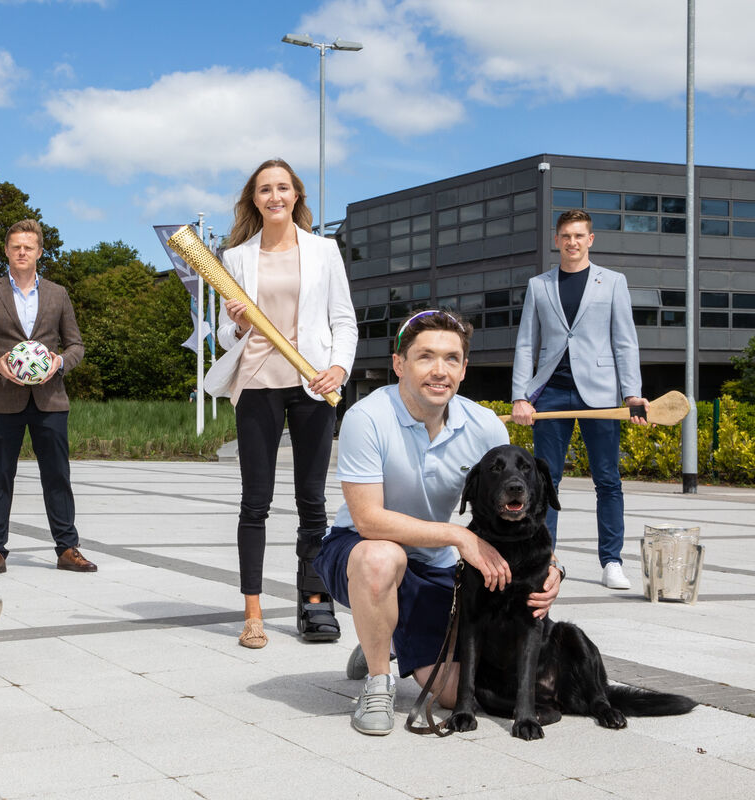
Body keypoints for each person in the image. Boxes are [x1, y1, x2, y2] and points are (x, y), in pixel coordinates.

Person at [312, 309, 564, 735]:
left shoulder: (482, 424)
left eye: (451, 358)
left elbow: (517, 512)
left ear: (464, 368)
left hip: (434, 564)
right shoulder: (366, 418)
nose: (439, 370)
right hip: (358, 549)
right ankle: (377, 681)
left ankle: (384, 634)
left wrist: (552, 566)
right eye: (425, 356)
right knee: (382, 558)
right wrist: (457, 536)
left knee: (451, 693)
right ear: (399, 364)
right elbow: (368, 519)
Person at [204, 158, 357, 649]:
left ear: (296, 196)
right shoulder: (236, 257)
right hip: (256, 383)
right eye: (265, 189)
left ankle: (315, 603)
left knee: (312, 504)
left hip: (314, 383)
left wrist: (340, 367)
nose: (274, 196)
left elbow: (344, 320)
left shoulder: (324, 250)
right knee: (256, 502)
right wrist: (239, 323)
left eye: (282, 188)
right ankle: (253, 612)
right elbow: (228, 335)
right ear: (254, 199)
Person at [511, 209, 650, 590]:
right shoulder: (539, 285)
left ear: (590, 240)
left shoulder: (613, 282)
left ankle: (612, 562)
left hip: (602, 394)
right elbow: (527, 344)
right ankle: (544, 560)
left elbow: (625, 342)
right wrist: (521, 397)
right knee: (545, 481)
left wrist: (632, 393)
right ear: (557, 240)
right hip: (551, 392)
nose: (572, 242)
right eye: (566, 236)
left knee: (608, 480)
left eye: (579, 235)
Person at [0, 218, 96, 577]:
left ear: (38, 252)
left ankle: (67, 548)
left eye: (28, 247)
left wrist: (60, 362)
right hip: (4, 401)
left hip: (51, 400)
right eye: (16, 246)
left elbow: (77, 344)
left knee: (57, 476)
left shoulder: (57, 294)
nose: (22, 252)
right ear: (6, 251)